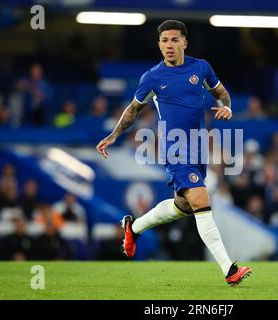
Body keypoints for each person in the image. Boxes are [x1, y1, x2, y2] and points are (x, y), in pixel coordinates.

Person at [96, 20, 251, 286]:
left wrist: (227, 107)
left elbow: (222, 95)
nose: (169, 45)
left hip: (198, 148)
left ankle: (132, 228)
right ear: (159, 44)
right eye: (164, 40)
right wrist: (113, 135)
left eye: (174, 40)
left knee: (182, 207)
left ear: (184, 43)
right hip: (175, 148)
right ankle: (229, 270)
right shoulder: (152, 77)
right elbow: (133, 110)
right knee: (202, 201)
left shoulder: (201, 68)